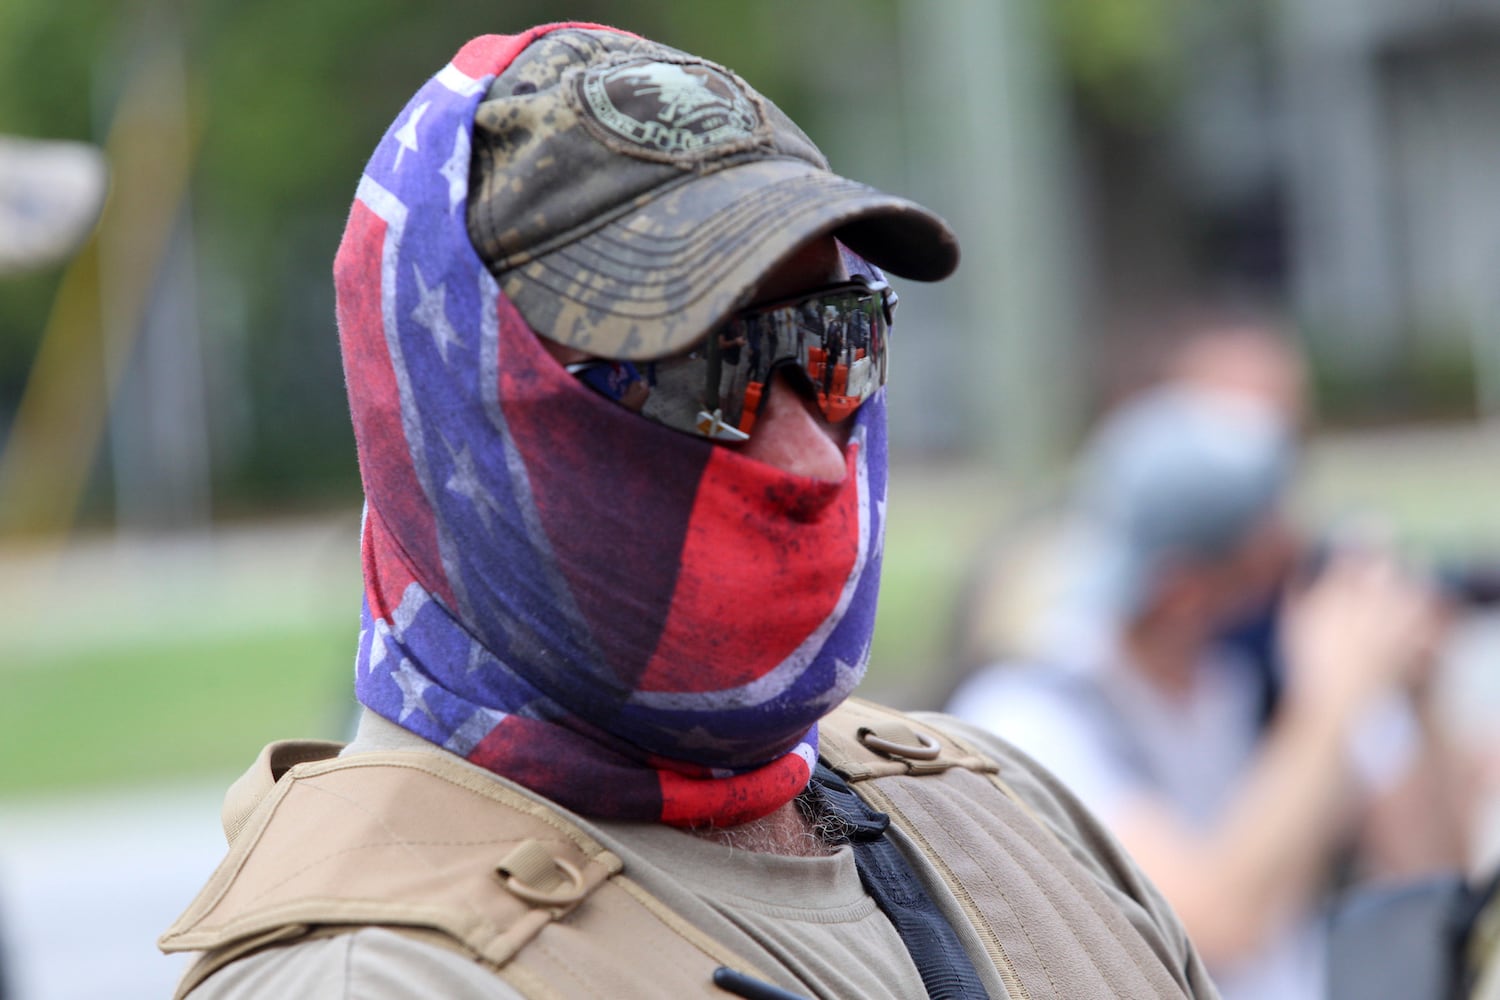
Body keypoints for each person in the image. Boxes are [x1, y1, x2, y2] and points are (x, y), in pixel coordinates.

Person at [159, 23, 1219, 999]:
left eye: (830, 345)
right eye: (699, 368)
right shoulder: (378, 976)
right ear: (455, 404)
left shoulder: (1011, 807)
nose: (808, 453)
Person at [945, 368, 1468, 1000]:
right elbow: (1214, 925)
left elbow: (1432, 876)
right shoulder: (1031, 715)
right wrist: (1331, 703)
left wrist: (1417, 687)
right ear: (1184, 593)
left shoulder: (1259, 672)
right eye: (1268, 566)